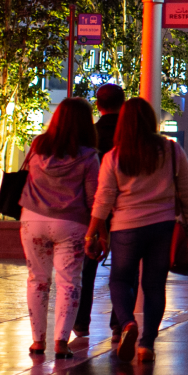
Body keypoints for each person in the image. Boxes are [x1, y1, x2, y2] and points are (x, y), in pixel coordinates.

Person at [85, 97, 188, 363]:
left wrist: (93, 232)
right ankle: (147, 345)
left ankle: (127, 324)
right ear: (151, 121)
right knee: (155, 285)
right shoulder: (172, 151)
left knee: (120, 280)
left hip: (126, 227)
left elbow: (104, 198)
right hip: (163, 226)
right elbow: (186, 190)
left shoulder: (114, 156)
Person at [19, 98, 101, 358]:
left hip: (33, 219)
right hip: (71, 223)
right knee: (69, 283)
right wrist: (97, 230)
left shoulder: (37, 146)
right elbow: (93, 197)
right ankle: (61, 342)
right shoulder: (88, 155)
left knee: (37, 280)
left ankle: (37, 341)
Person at [74, 82, 124, 339]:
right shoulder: (129, 136)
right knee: (122, 268)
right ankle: (118, 322)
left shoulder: (89, 135)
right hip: (125, 210)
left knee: (87, 268)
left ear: (98, 105)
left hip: (93, 211)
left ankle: (81, 321)